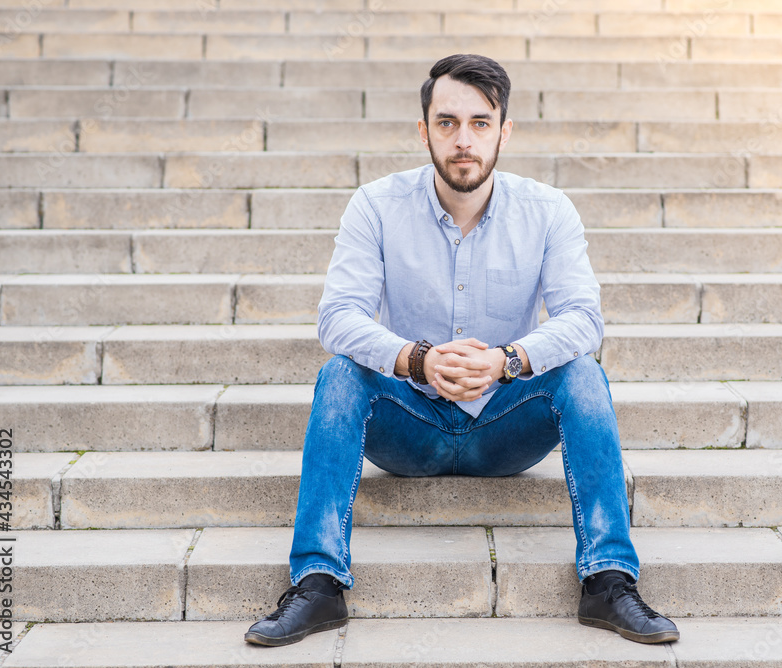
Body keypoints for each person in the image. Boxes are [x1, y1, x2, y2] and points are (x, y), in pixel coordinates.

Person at [244, 53, 679, 648]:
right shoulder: (375, 206)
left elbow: (584, 320)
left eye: (481, 122)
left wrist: (508, 360)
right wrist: (417, 359)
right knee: (340, 375)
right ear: (424, 131)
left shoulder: (548, 211)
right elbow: (337, 316)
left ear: (505, 131)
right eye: (447, 123)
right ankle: (319, 584)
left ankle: (608, 580)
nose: (464, 140)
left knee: (583, 375)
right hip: (410, 426)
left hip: (506, 426)